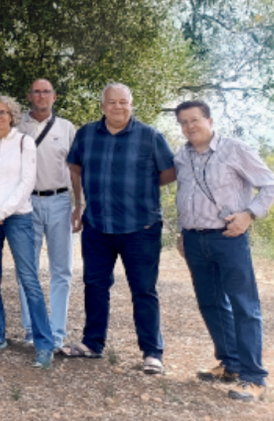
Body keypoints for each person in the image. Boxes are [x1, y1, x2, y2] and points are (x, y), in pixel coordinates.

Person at [174, 101, 274, 402]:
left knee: (244, 306)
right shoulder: (182, 156)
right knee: (210, 303)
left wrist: (249, 214)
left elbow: (272, 186)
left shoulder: (235, 149)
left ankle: (254, 377)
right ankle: (231, 364)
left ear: (209, 121)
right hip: (194, 240)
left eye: (195, 120)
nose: (190, 127)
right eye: (183, 122)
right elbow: (185, 195)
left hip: (228, 238)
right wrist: (183, 232)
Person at [62, 83, 175, 375]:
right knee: (95, 285)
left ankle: (152, 352)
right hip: (97, 224)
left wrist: (141, 189)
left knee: (143, 290)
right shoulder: (87, 134)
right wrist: (79, 204)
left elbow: (169, 172)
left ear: (131, 104)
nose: (117, 107)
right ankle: (92, 343)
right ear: (103, 106)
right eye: (111, 102)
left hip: (141, 226)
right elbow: (75, 167)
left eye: (123, 102)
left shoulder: (151, 136)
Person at [0, 95, 55, 369]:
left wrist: (2, 211)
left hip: (17, 217)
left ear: (12, 116)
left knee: (29, 279)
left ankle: (44, 345)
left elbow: (26, 182)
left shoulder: (23, 143)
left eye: (3, 112)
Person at [15, 78, 77, 350]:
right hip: (26, 203)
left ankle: (57, 333)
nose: (41, 96)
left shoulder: (66, 128)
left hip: (60, 201)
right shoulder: (17, 127)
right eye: (37, 92)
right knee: (26, 268)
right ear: (29, 96)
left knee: (61, 270)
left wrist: (80, 205)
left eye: (46, 92)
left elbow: (75, 168)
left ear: (54, 96)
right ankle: (32, 330)